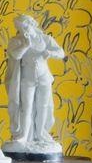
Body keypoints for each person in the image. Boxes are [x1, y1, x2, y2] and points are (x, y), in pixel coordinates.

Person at [6, 14, 65, 148]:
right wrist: (26, 45)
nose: (22, 30)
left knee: (43, 106)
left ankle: (41, 134)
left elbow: (61, 52)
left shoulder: (44, 39)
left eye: (23, 26)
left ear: (30, 24)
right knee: (26, 108)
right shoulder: (17, 41)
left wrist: (50, 53)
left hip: (44, 77)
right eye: (19, 28)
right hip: (27, 79)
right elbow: (15, 55)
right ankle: (23, 136)